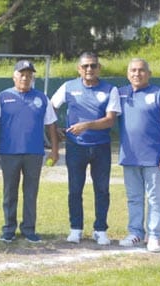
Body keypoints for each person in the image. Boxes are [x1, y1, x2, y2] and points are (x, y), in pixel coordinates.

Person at [51, 52, 120, 245]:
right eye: (85, 66)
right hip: (75, 147)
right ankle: (76, 229)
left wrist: (86, 125)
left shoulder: (110, 89)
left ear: (99, 68)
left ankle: (100, 230)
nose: (89, 69)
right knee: (74, 190)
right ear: (78, 68)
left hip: (101, 147)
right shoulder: (68, 87)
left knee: (102, 190)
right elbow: (51, 107)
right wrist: (56, 127)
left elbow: (110, 120)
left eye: (93, 66)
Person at [0, 60, 59, 243]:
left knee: (31, 192)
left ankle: (28, 229)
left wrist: (55, 149)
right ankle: (8, 229)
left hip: (34, 153)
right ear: (14, 76)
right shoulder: (2, 97)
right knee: (9, 191)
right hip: (9, 153)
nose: (25, 78)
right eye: (22, 74)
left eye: (29, 75)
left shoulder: (42, 98)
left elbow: (51, 125)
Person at [116, 59, 160, 252]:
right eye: (133, 70)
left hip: (154, 157)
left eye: (141, 70)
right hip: (129, 157)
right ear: (127, 74)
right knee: (134, 197)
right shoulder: (120, 93)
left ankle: (154, 236)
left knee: (154, 198)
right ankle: (135, 233)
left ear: (148, 73)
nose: (137, 74)